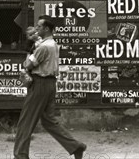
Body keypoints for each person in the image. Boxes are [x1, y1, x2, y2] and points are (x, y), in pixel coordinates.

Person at [13, 15, 87, 159]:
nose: (36, 29)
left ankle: (20, 155)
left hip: (39, 83)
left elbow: (27, 65)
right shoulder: (52, 44)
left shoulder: (44, 47)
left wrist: (30, 48)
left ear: (46, 29)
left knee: (25, 122)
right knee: (49, 121)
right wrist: (35, 43)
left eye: (39, 27)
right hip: (50, 84)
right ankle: (75, 146)